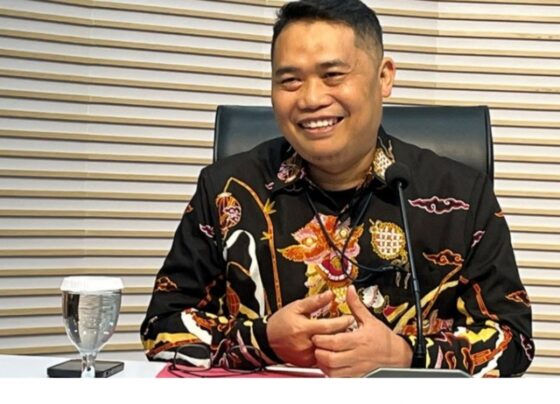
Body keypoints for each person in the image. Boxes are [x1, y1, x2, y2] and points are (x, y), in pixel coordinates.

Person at [141, 0, 534, 377]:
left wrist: (406, 356)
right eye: (290, 80)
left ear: (384, 77)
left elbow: (513, 341)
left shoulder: (461, 196)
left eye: (332, 75)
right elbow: (162, 328)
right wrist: (263, 341)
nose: (311, 99)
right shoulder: (227, 189)